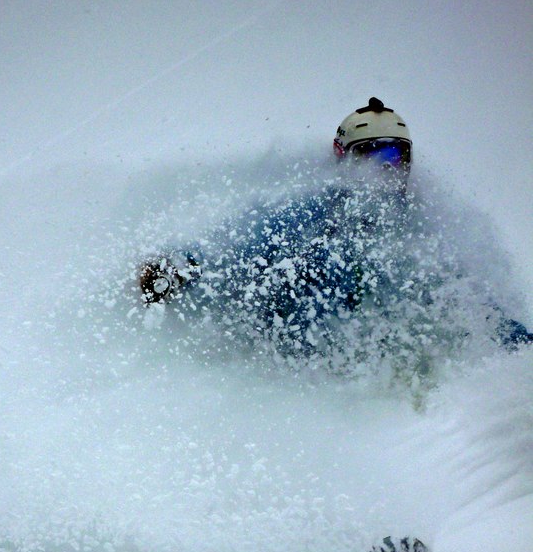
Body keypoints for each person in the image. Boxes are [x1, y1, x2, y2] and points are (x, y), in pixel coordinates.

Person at [138, 99, 531, 361]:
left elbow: (472, 299)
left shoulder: (421, 233)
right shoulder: (311, 212)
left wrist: (521, 345)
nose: (384, 169)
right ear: (342, 157)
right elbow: (243, 240)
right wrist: (181, 265)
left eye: (395, 155)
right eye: (371, 155)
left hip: (362, 371)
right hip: (287, 363)